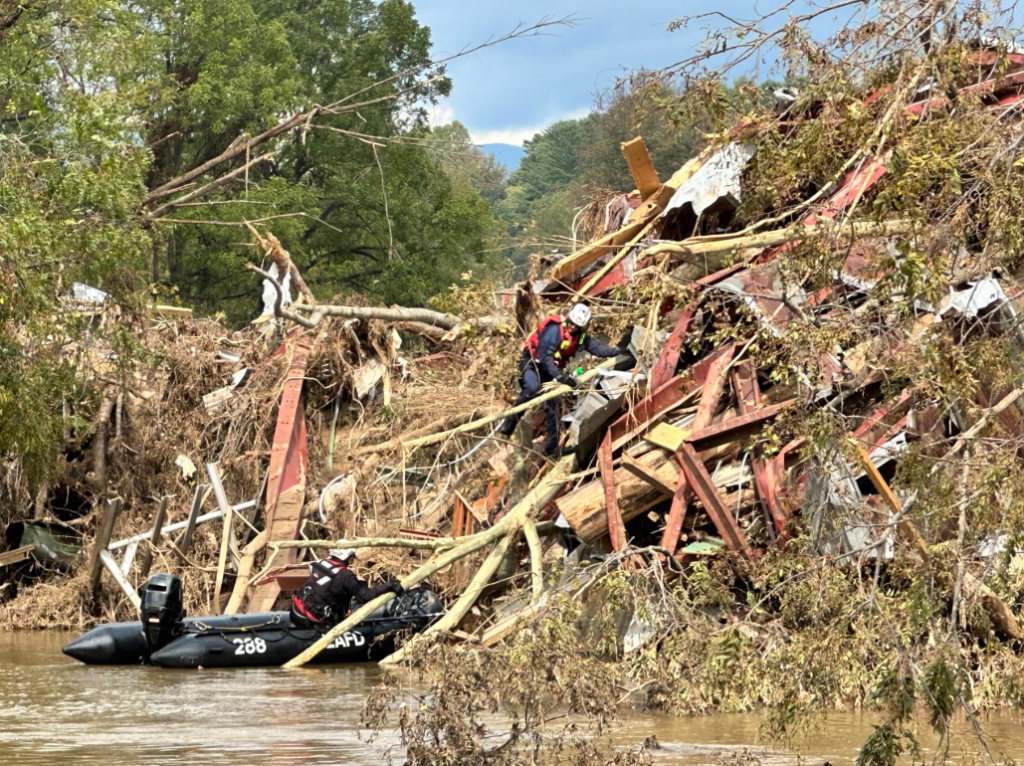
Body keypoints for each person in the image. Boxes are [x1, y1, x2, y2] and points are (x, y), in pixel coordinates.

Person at [497, 303, 624, 456]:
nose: (572, 327)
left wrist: (616, 351)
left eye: (576, 326)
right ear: (568, 318)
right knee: (532, 388)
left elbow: (597, 349)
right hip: (532, 365)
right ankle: (509, 423)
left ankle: (552, 448)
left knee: (555, 406)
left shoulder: (580, 336)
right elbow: (545, 357)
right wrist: (561, 377)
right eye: (571, 323)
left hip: (549, 373)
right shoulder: (554, 329)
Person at [290, 548, 404, 628]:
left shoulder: (318, 563)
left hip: (296, 611)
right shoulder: (346, 575)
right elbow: (364, 596)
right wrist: (389, 585)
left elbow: (328, 586)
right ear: (347, 558)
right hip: (311, 620)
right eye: (350, 558)